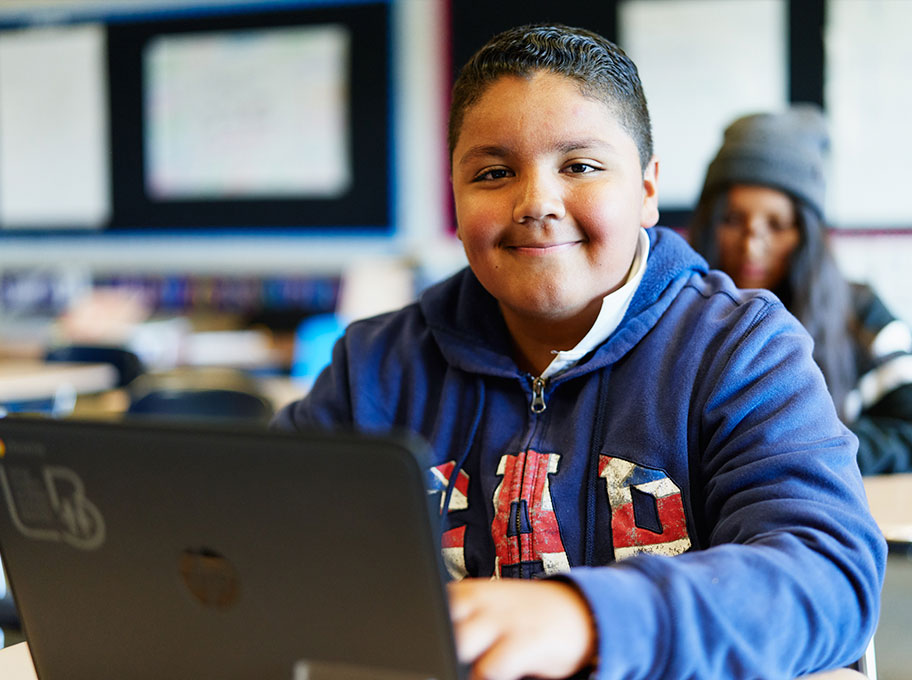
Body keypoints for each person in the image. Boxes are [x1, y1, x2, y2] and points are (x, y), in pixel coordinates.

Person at [273, 25, 885, 680]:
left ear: (648, 190)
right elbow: (260, 540)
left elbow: (827, 574)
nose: (536, 202)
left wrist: (587, 618)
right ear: (454, 194)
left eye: (581, 166)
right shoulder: (376, 363)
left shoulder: (741, 349)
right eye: (494, 172)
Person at [689, 105, 912, 475]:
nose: (751, 246)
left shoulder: (860, 313)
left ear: (807, 235)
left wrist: (809, 446)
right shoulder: (674, 314)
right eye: (732, 220)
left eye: (776, 225)